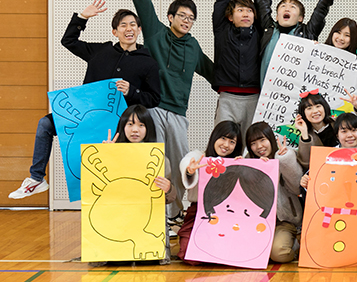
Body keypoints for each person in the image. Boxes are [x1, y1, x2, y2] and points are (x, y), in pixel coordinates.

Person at [10, 1, 161, 199]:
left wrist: (132, 91)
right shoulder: (100, 51)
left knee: (107, 179)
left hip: (117, 126)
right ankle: (37, 178)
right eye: (123, 25)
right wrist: (82, 17)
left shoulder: (148, 62)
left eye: (132, 24)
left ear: (139, 29)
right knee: (45, 124)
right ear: (115, 32)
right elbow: (68, 41)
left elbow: (154, 99)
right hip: (84, 118)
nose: (128, 28)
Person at [122, 0, 214, 222]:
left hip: (178, 114)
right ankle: (157, 215)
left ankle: (176, 213)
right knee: (157, 163)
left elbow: (212, 73)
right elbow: (144, 6)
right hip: (153, 109)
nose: (186, 21)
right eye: (182, 16)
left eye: (191, 18)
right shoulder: (156, 34)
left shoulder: (193, 46)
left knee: (182, 164)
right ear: (171, 17)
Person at [93, 104, 175, 267]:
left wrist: (168, 189)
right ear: (122, 127)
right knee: (116, 257)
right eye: (130, 124)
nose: (135, 130)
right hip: (117, 220)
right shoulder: (110, 153)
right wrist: (105, 155)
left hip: (145, 221)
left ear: (149, 129)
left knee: (149, 258)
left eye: (141, 125)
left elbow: (169, 199)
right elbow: (94, 188)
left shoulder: (160, 160)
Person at [251, 0, 351, 85]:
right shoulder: (268, 29)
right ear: (277, 16)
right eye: (283, 6)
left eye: (292, 7)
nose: (287, 8)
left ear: (300, 18)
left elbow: (322, 7)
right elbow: (261, 2)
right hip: (267, 98)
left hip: (298, 99)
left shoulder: (308, 33)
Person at [211, 0, 270, 135]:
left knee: (250, 146)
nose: (246, 14)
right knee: (223, 143)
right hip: (227, 97)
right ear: (230, 16)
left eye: (249, 11)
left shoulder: (260, 31)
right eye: (240, 10)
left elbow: (264, 3)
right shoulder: (222, 29)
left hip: (254, 97)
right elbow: (222, 0)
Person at [176, 121, 244, 264]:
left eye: (232, 142)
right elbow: (187, 161)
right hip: (199, 212)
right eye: (223, 138)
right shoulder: (199, 156)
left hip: (228, 215)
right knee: (188, 254)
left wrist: (244, 166)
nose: (226, 145)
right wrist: (190, 169)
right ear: (215, 137)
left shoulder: (237, 161)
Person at [245, 122, 304, 264]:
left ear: (271, 139)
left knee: (279, 253)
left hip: (285, 222)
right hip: (257, 222)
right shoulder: (248, 162)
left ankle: (294, 245)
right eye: (253, 143)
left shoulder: (283, 156)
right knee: (247, 252)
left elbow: (297, 187)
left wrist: (284, 160)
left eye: (262, 140)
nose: (259, 146)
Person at [294, 89, 357, 170]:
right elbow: (307, 164)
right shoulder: (307, 136)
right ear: (303, 113)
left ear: (325, 107)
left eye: (318, 106)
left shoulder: (342, 123)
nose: (315, 111)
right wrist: (304, 134)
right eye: (309, 108)